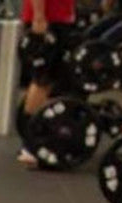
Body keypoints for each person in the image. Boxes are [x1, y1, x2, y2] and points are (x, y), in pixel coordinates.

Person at [17, 0, 77, 165]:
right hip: (48, 21)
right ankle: (30, 145)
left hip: (59, 20)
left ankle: (35, 138)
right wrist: (39, 16)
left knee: (49, 81)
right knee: (42, 81)